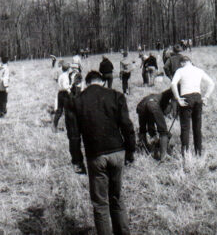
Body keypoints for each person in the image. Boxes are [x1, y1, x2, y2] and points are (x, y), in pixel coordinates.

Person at [70, 71, 136, 235]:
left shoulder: (77, 101)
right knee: (117, 198)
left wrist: (77, 161)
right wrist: (130, 151)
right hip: (118, 151)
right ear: (103, 82)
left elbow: (74, 136)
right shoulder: (116, 95)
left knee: (100, 204)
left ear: (86, 83)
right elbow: (127, 126)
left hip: (95, 155)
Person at [171, 56, 215, 157]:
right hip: (198, 98)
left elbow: (173, 84)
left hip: (186, 98)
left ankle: (186, 154)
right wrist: (206, 97)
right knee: (197, 128)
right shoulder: (199, 70)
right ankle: (198, 153)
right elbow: (211, 83)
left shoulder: (180, 71)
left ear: (182, 63)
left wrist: (178, 99)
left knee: (185, 128)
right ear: (190, 62)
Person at [136, 89, 174, 161]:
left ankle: (144, 150)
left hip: (141, 105)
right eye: (168, 112)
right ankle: (163, 157)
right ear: (168, 105)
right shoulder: (162, 100)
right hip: (152, 104)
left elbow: (151, 126)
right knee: (163, 131)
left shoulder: (157, 96)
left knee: (142, 129)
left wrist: (155, 138)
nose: (166, 114)